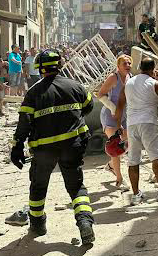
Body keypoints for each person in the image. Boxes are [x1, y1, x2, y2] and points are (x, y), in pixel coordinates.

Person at [10, 49, 95, 244]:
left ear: (39, 69)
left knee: (39, 186)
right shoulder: (75, 86)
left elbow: (24, 122)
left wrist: (17, 147)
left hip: (44, 150)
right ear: (59, 65)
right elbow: (89, 106)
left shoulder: (33, 93)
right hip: (72, 146)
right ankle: (85, 223)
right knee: (75, 186)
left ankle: (38, 224)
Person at [115, 57, 158, 206]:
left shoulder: (128, 83)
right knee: (156, 156)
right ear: (153, 69)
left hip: (132, 124)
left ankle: (136, 195)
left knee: (133, 159)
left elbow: (120, 105)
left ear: (140, 67)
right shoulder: (154, 83)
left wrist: (119, 126)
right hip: (148, 122)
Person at [98, 54, 132, 188]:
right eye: (125, 63)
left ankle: (112, 165)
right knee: (116, 145)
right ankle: (119, 178)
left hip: (124, 116)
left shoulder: (131, 77)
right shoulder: (114, 77)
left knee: (126, 144)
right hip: (110, 116)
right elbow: (100, 94)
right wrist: (113, 108)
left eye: (129, 63)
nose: (128, 66)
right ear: (118, 66)